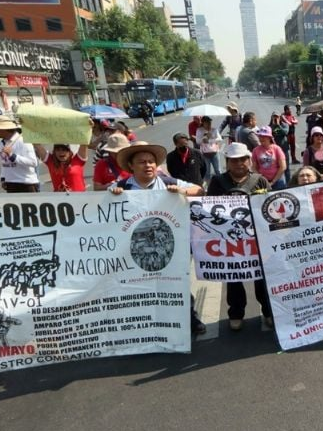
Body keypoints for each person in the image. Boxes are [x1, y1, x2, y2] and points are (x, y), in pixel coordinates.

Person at [110, 141, 206, 336]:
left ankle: (190, 318)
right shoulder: (120, 187)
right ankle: (150, 324)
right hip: (137, 248)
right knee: (142, 286)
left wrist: (182, 192)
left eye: (151, 161)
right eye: (141, 162)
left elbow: (200, 190)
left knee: (176, 282)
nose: (148, 165)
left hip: (169, 245)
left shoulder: (169, 182)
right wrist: (112, 195)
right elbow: (102, 208)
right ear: (131, 166)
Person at [207, 143, 273, 331]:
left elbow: (271, 206)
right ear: (227, 162)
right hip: (230, 242)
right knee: (233, 278)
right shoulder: (217, 182)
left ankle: (269, 311)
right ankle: (236, 313)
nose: (238, 164)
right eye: (234, 160)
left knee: (262, 279)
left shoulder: (260, 180)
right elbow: (209, 210)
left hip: (258, 241)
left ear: (249, 160)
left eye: (242, 159)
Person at [0, 115, 40, 193]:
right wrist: (3, 178)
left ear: (3, 130)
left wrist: (12, 156)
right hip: (11, 184)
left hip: (26, 184)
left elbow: (33, 162)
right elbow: (4, 163)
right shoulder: (2, 143)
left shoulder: (22, 141)